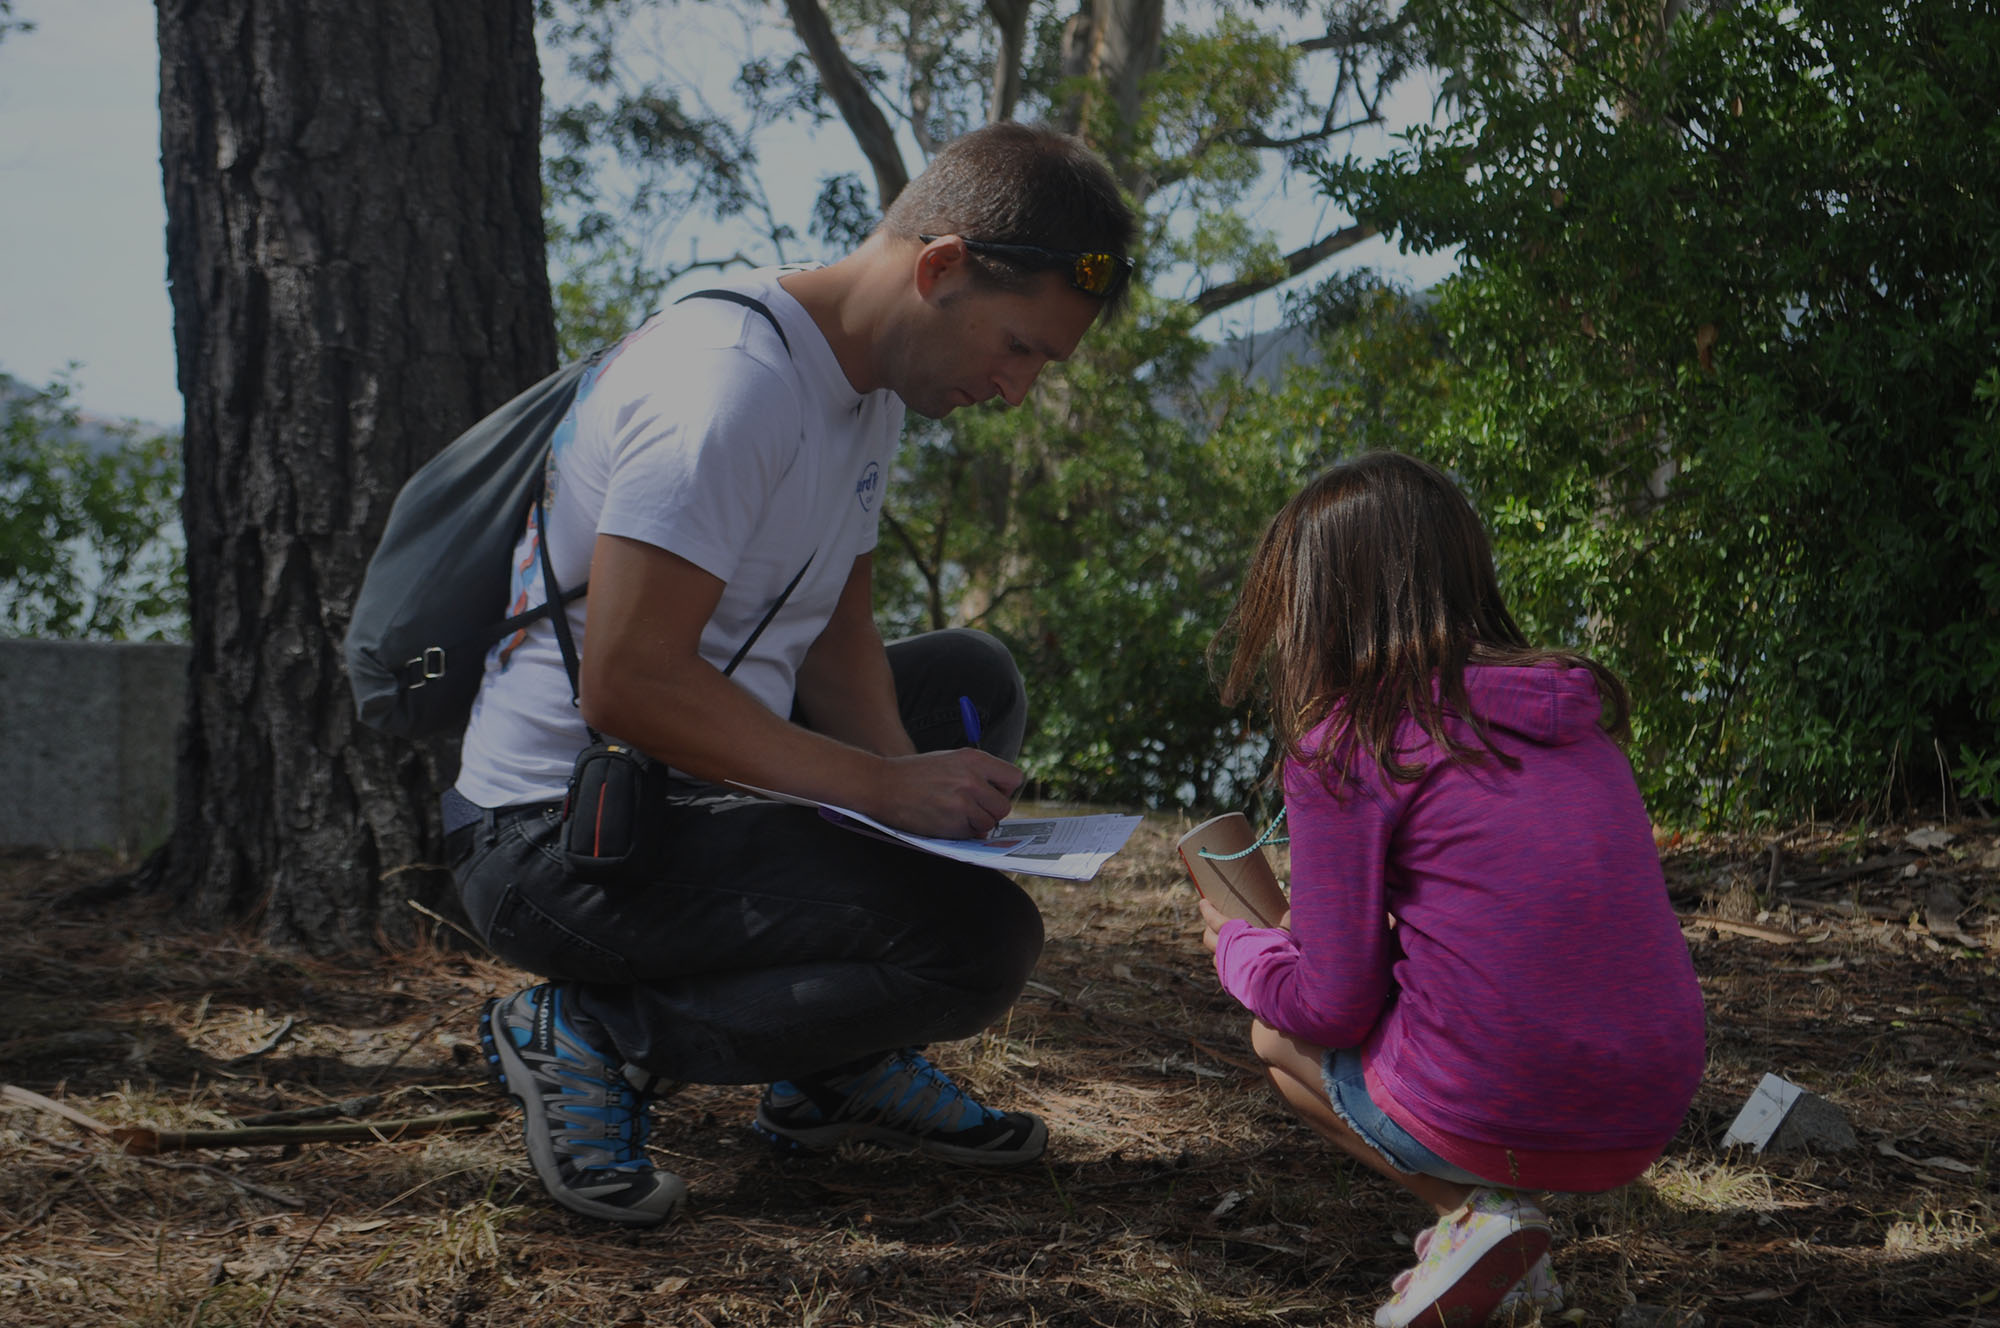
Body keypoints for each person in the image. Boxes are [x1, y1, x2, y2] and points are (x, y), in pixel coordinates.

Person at [443, 122, 1137, 1226]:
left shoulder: (859, 387)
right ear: (938, 267)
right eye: (1018, 348)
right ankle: (587, 1033)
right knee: (976, 944)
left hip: (686, 776)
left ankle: (830, 1066)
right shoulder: (727, 389)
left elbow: (832, 630)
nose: (1014, 390)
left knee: (967, 683)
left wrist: (924, 802)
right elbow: (626, 682)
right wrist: (874, 792)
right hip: (559, 832)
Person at [1197, 452, 1706, 1326]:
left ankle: (1473, 1221)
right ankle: (1508, 1255)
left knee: (1274, 1038)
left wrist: (1239, 948)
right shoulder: (1575, 715)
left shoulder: (1351, 741)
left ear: (1320, 607)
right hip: (1647, 1103)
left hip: (1505, 1103)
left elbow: (1327, 1008)